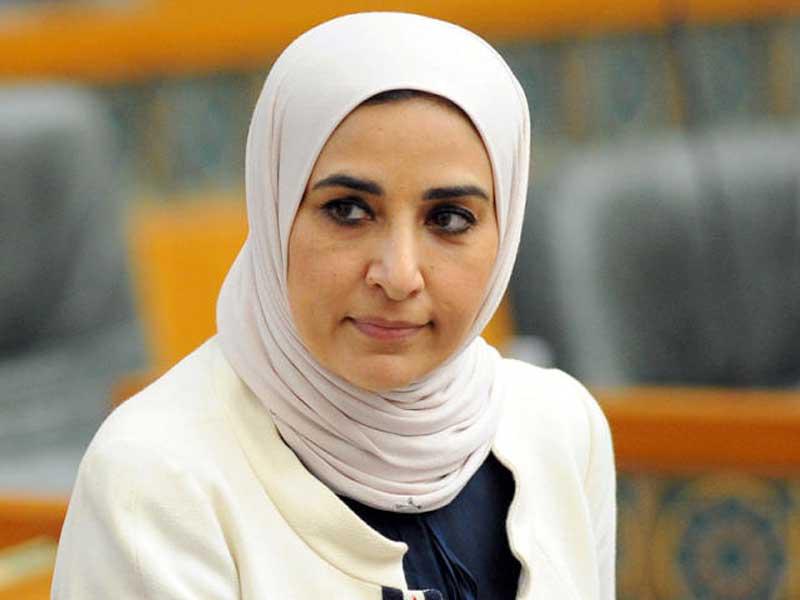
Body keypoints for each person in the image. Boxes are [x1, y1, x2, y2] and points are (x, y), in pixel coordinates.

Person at [52, 12, 616, 600]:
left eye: (449, 219)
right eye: (348, 211)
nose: (398, 276)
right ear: (275, 209)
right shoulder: (157, 481)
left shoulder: (559, 429)